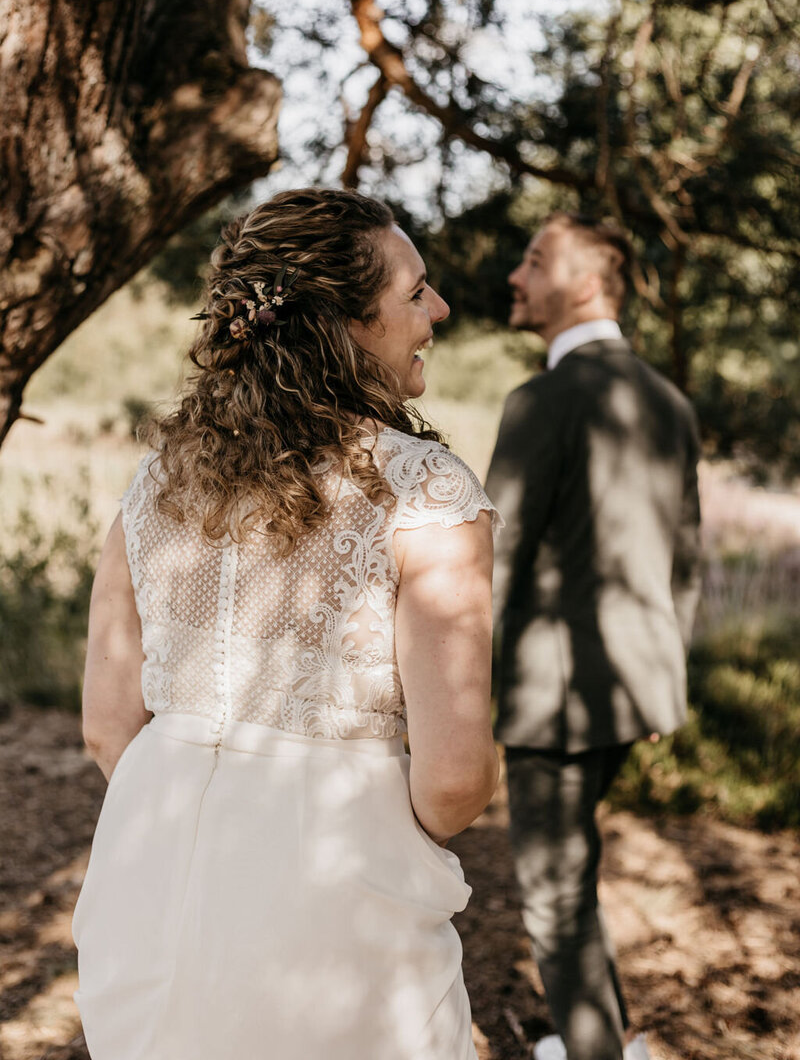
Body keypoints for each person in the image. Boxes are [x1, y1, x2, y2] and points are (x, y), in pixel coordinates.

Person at [73, 188, 501, 1060]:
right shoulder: (427, 490)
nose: (439, 309)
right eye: (416, 292)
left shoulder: (156, 481)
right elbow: (454, 782)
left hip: (152, 874)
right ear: (345, 324)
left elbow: (107, 726)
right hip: (339, 895)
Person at [484, 213, 701, 1060]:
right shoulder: (669, 400)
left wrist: (442, 693)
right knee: (573, 877)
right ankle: (609, 1041)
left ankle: (594, 1055)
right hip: (638, 685)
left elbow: (494, 564)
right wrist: (665, 677)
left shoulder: (541, 401)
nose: (515, 275)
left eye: (533, 259)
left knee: (551, 892)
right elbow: (687, 557)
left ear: (584, 283)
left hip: (559, 693)